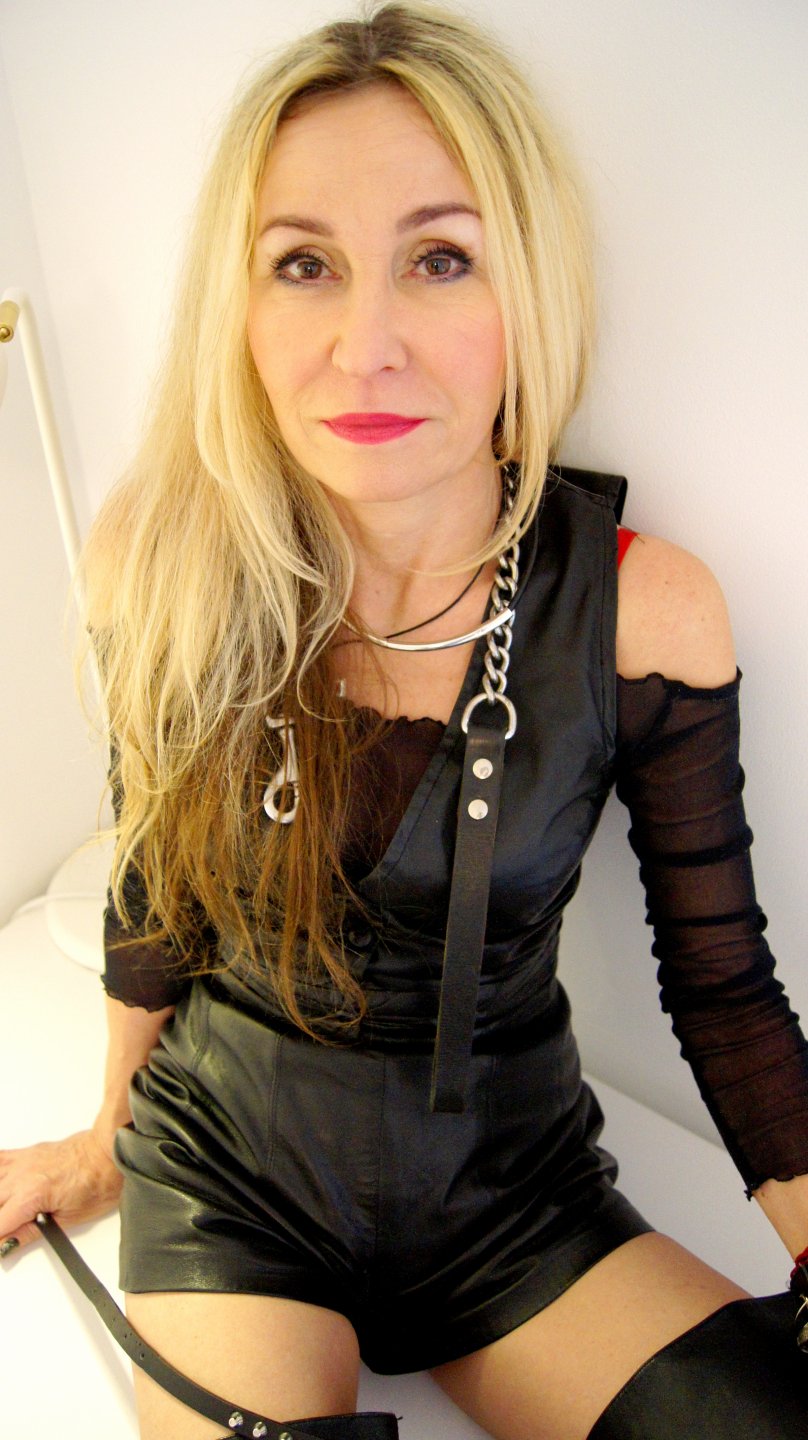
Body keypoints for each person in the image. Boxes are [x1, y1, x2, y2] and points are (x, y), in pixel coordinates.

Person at [1, 3, 807, 1436]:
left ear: (526, 290)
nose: (363, 345)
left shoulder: (643, 611)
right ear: (241, 307)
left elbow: (723, 984)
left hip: (516, 1204)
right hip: (230, 1180)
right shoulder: (160, 560)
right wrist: (110, 1137)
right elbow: (153, 888)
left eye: (439, 259)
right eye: (304, 264)